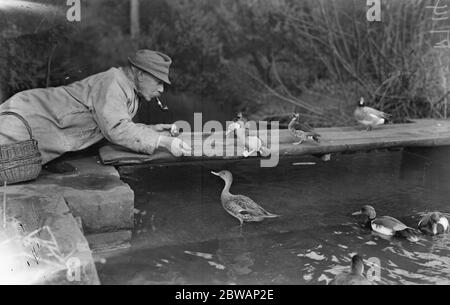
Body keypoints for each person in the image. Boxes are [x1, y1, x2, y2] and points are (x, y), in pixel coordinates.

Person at [0, 49, 192, 164]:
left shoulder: (128, 89)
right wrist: (162, 141)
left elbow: (114, 123)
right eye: (158, 81)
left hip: (38, 123)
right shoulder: (112, 83)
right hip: (28, 115)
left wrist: (151, 131)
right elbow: (116, 129)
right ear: (140, 74)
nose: (161, 89)